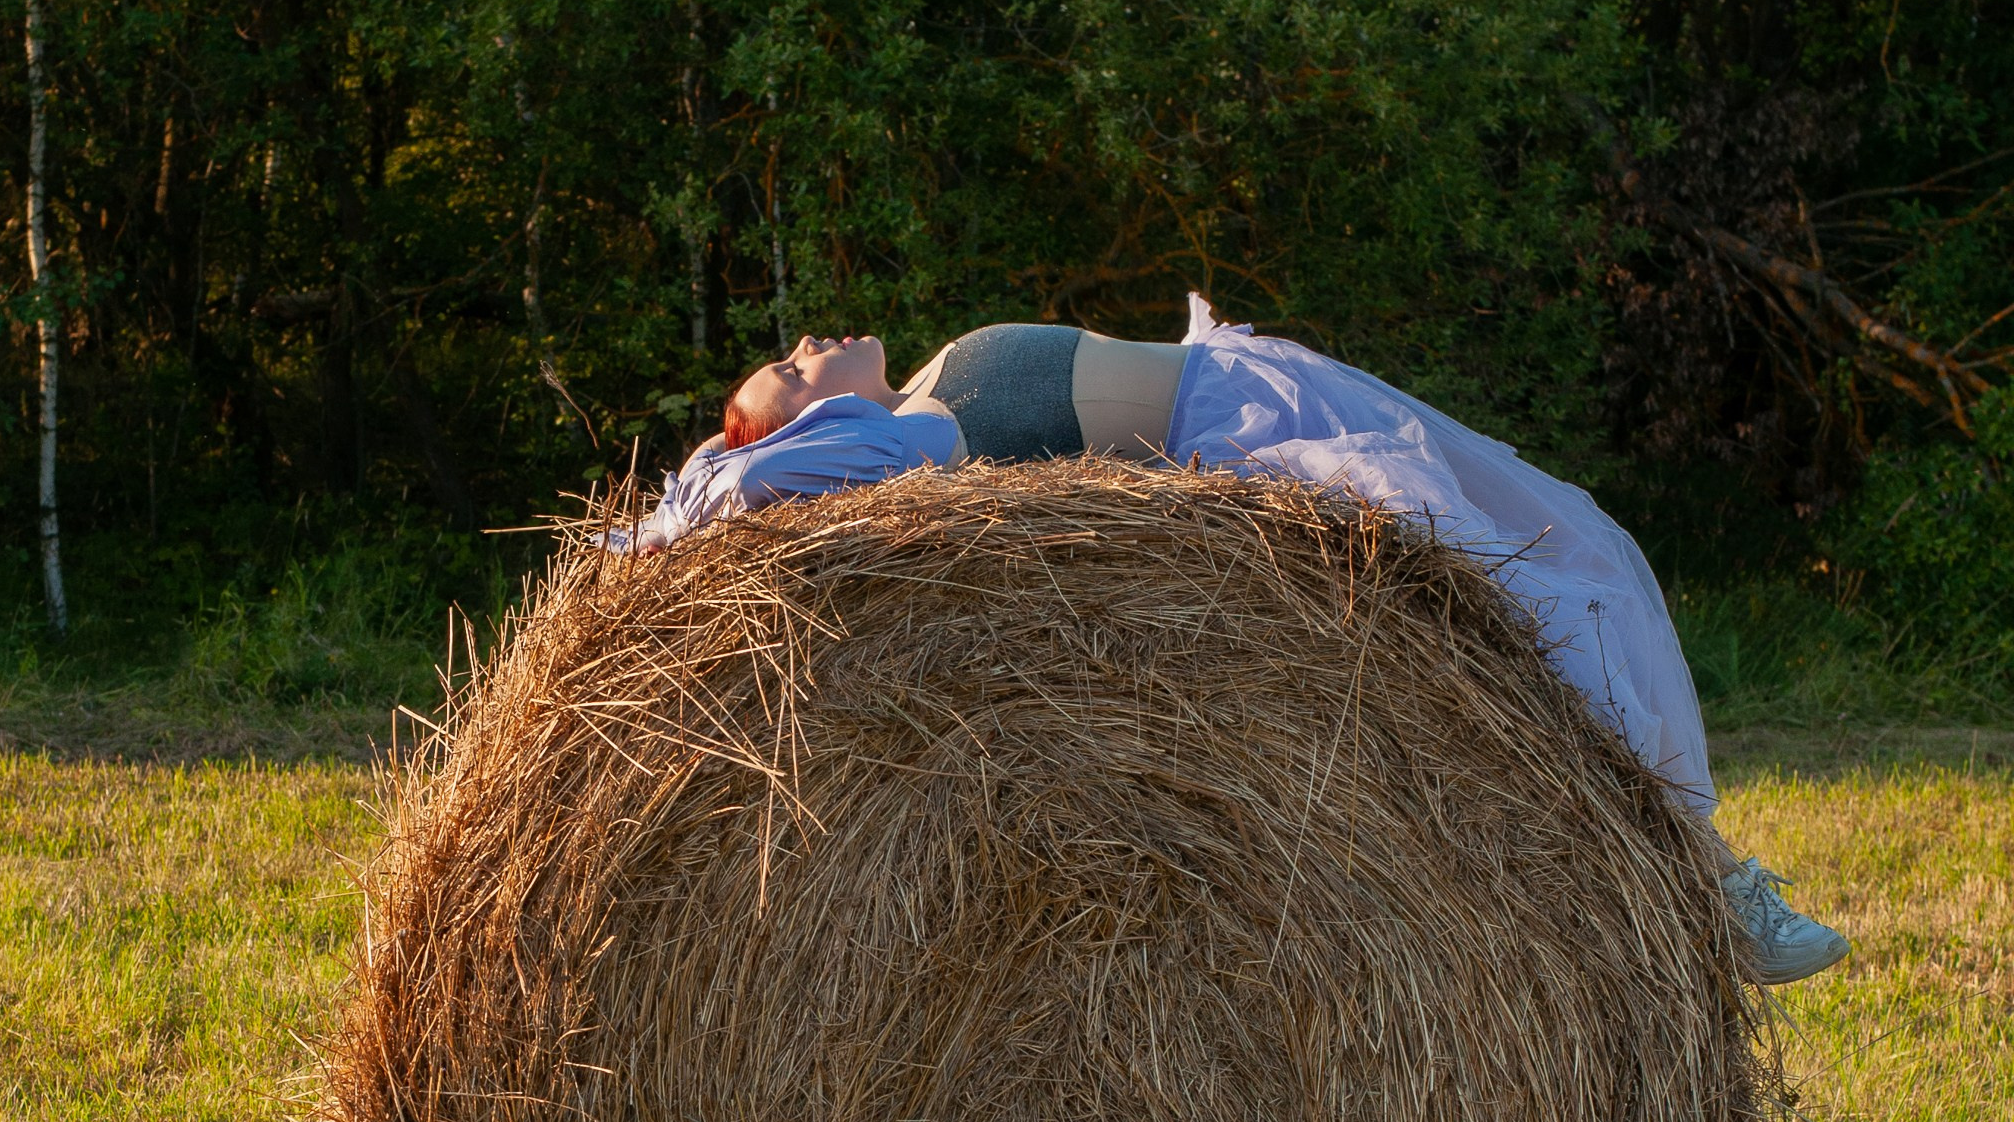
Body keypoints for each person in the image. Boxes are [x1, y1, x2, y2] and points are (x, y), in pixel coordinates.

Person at [629, 305, 1849, 984]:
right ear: (804, 431)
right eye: (786, 371)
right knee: (1540, 576)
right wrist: (720, 479)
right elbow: (737, 500)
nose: (806, 341)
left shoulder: (927, 394)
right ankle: (1697, 876)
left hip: (1275, 387)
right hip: (1258, 425)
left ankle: (1677, 863)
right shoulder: (918, 439)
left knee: (1566, 553)